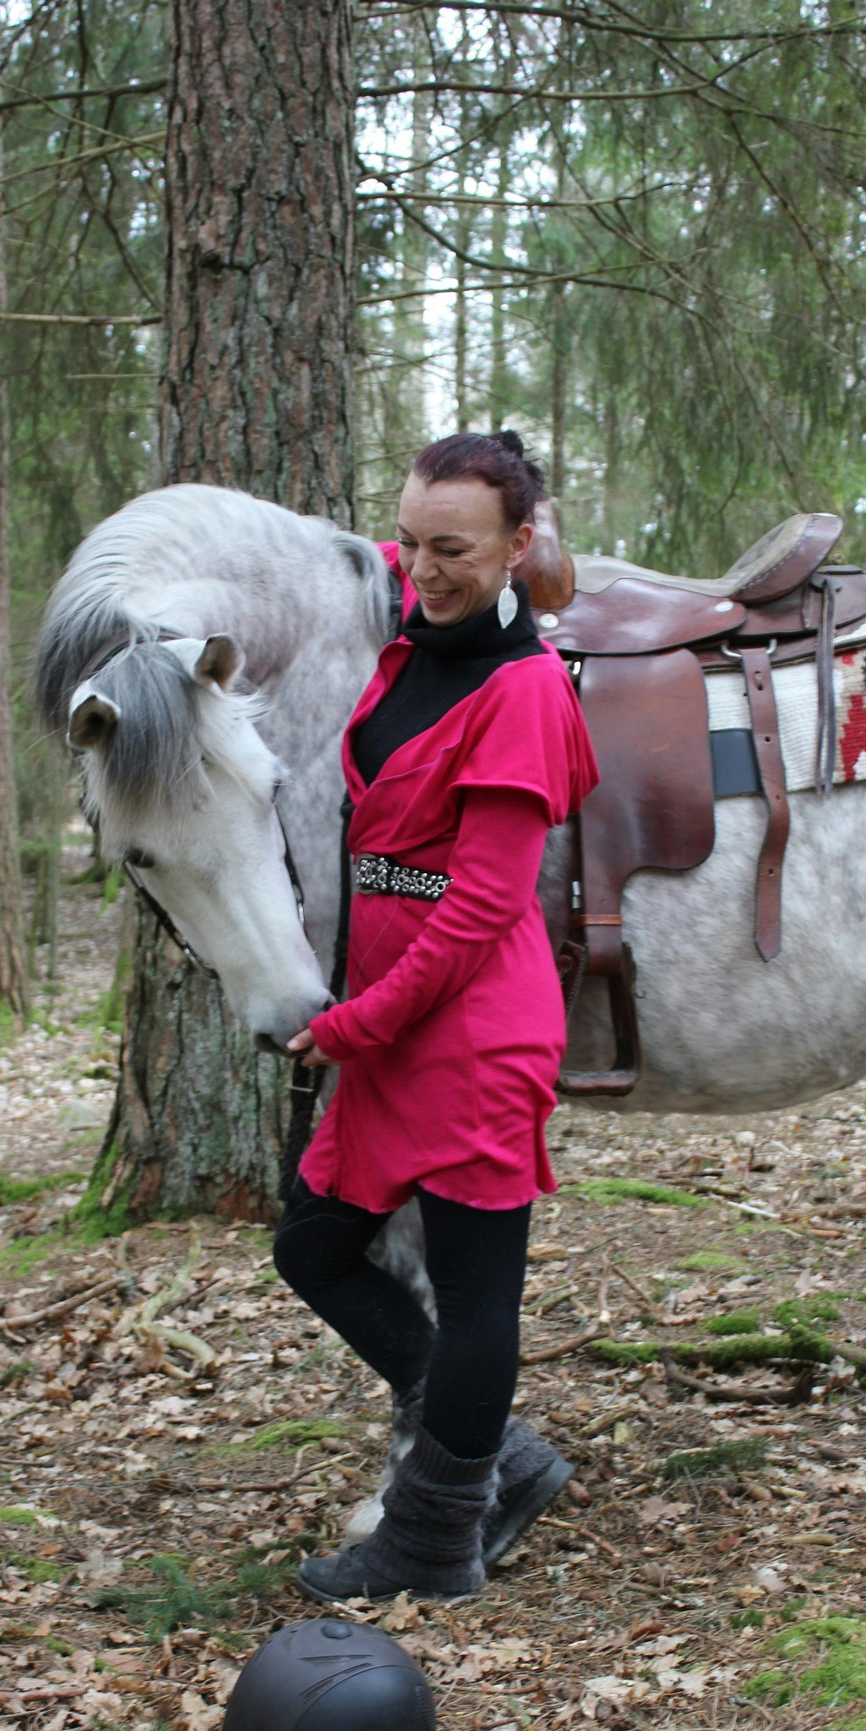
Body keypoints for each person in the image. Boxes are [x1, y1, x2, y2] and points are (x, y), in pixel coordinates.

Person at [273, 430, 599, 1604]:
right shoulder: (412, 630)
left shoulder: (521, 693)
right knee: (309, 1244)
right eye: (408, 539)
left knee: (475, 1297)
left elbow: (477, 913)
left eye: (453, 547)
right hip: (397, 1028)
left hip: (472, 1037)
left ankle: (431, 1539)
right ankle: (497, 1451)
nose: (423, 565)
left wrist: (355, 1025)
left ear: (521, 546)